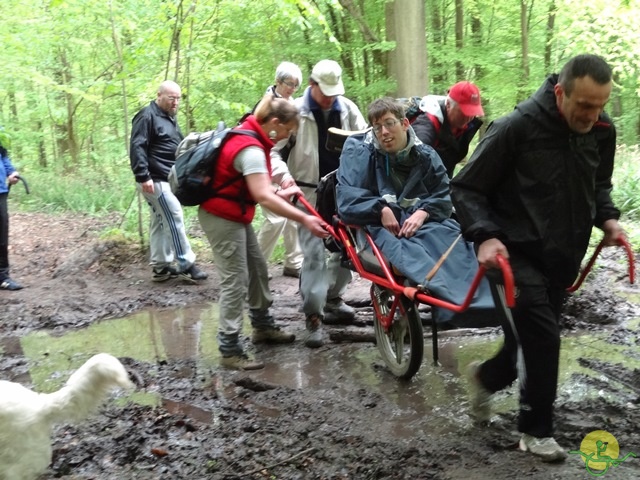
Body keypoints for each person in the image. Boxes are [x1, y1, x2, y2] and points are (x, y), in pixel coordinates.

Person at [450, 54, 625, 462]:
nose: (591, 114)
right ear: (560, 92)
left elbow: (598, 185)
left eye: (599, 105)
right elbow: (465, 189)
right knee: (543, 338)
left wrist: (609, 219)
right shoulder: (515, 128)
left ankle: (486, 377)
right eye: (583, 105)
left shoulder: (601, 130)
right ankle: (535, 431)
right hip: (511, 256)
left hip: (562, 258)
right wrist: (486, 237)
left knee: (524, 342)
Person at [198, 94, 330, 371]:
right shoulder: (251, 148)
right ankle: (230, 348)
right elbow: (264, 197)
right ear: (273, 123)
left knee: (257, 269)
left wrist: (284, 190)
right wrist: (304, 220)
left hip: (236, 214)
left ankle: (262, 325)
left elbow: (259, 188)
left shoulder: (254, 137)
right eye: (286, 130)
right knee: (235, 281)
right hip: (221, 218)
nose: (287, 136)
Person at [335, 97, 492, 316]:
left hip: (425, 223)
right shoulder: (360, 152)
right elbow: (347, 197)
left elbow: (443, 194)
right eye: (378, 127)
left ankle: (482, 303)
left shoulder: (426, 155)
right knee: (415, 255)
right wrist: (380, 209)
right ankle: (454, 306)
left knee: (457, 245)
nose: (384, 132)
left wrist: (424, 212)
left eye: (390, 123)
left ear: (405, 124)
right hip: (381, 226)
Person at [275, 59, 368, 348]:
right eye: (324, 91)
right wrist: (284, 179)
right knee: (313, 256)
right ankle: (313, 317)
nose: (330, 97)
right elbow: (272, 152)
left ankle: (334, 299)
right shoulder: (295, 113)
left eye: (333, 92)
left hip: (344, 194)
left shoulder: (349, 109)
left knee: (346, 252)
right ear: (312, 84)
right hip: (308, 195)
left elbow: (367, 143)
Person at [130, 80, 208, 283]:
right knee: (174, 214)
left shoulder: (169, 118)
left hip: (167, 177)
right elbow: (137, 146)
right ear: (159, 96)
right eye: (171, 98)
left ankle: (161, 267)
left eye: (178, 98)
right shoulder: (147, 115)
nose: (175, 102)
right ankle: (186, 264)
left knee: (159, 221)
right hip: (154, 179)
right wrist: (143, 175)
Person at [255, 62, 305, 278]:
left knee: (293, 212)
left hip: (285, 165)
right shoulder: (266, 108)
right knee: (276, 217)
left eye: (295, 85)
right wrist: (282, 174)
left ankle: (294, 261)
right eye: (288, 83)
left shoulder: (294, 106)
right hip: (264, 165)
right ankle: (255, 265)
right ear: (277, 81)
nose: (291, 88)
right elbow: (267, 146)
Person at [412, 81, 484, 178]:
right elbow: (414, 167)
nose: (469, 118)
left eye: (473, 112)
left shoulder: (464, 126)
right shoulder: (426, 127)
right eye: (464, 112)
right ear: (449, 105)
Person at [0, 136, 23, 290]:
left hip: (0, 195)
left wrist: (13, 173)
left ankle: (2, 277)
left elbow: (7, 165)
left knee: (1, 237)